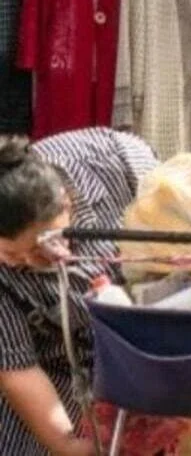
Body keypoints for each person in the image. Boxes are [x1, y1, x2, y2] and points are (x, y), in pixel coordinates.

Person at [0, 128, 158, 456]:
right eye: (10, 255)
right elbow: (17, 366)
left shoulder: (117, 161)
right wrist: (72, 446)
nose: (21, 264)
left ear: (66, 205)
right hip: (58, 369)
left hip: (155, 341)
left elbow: (183, 220)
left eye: (39, 248)